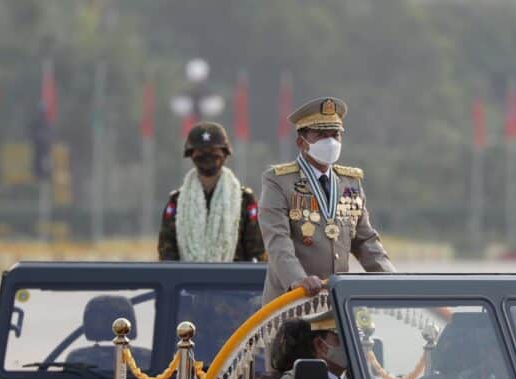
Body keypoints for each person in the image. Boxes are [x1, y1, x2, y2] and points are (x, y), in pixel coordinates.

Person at [258, 97, 394, 303]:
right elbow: (277, 240)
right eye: (321, 135)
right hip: (292, 301)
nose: (330, 142)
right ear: (301, 142)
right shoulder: (279, 181)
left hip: (338, 303)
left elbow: (365, 240)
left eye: (335, 135)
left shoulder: (350, 182)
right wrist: (298, 279)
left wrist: (391, 278)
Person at [158, 122, 267, 262]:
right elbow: (167, 255)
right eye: (201, 152)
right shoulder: (177, 202)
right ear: (191, 155)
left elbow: (257, 254)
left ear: (225, 154)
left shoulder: (244, 200)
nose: (207, 156)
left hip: (234, 282)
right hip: (186, 282)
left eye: (213, 152)